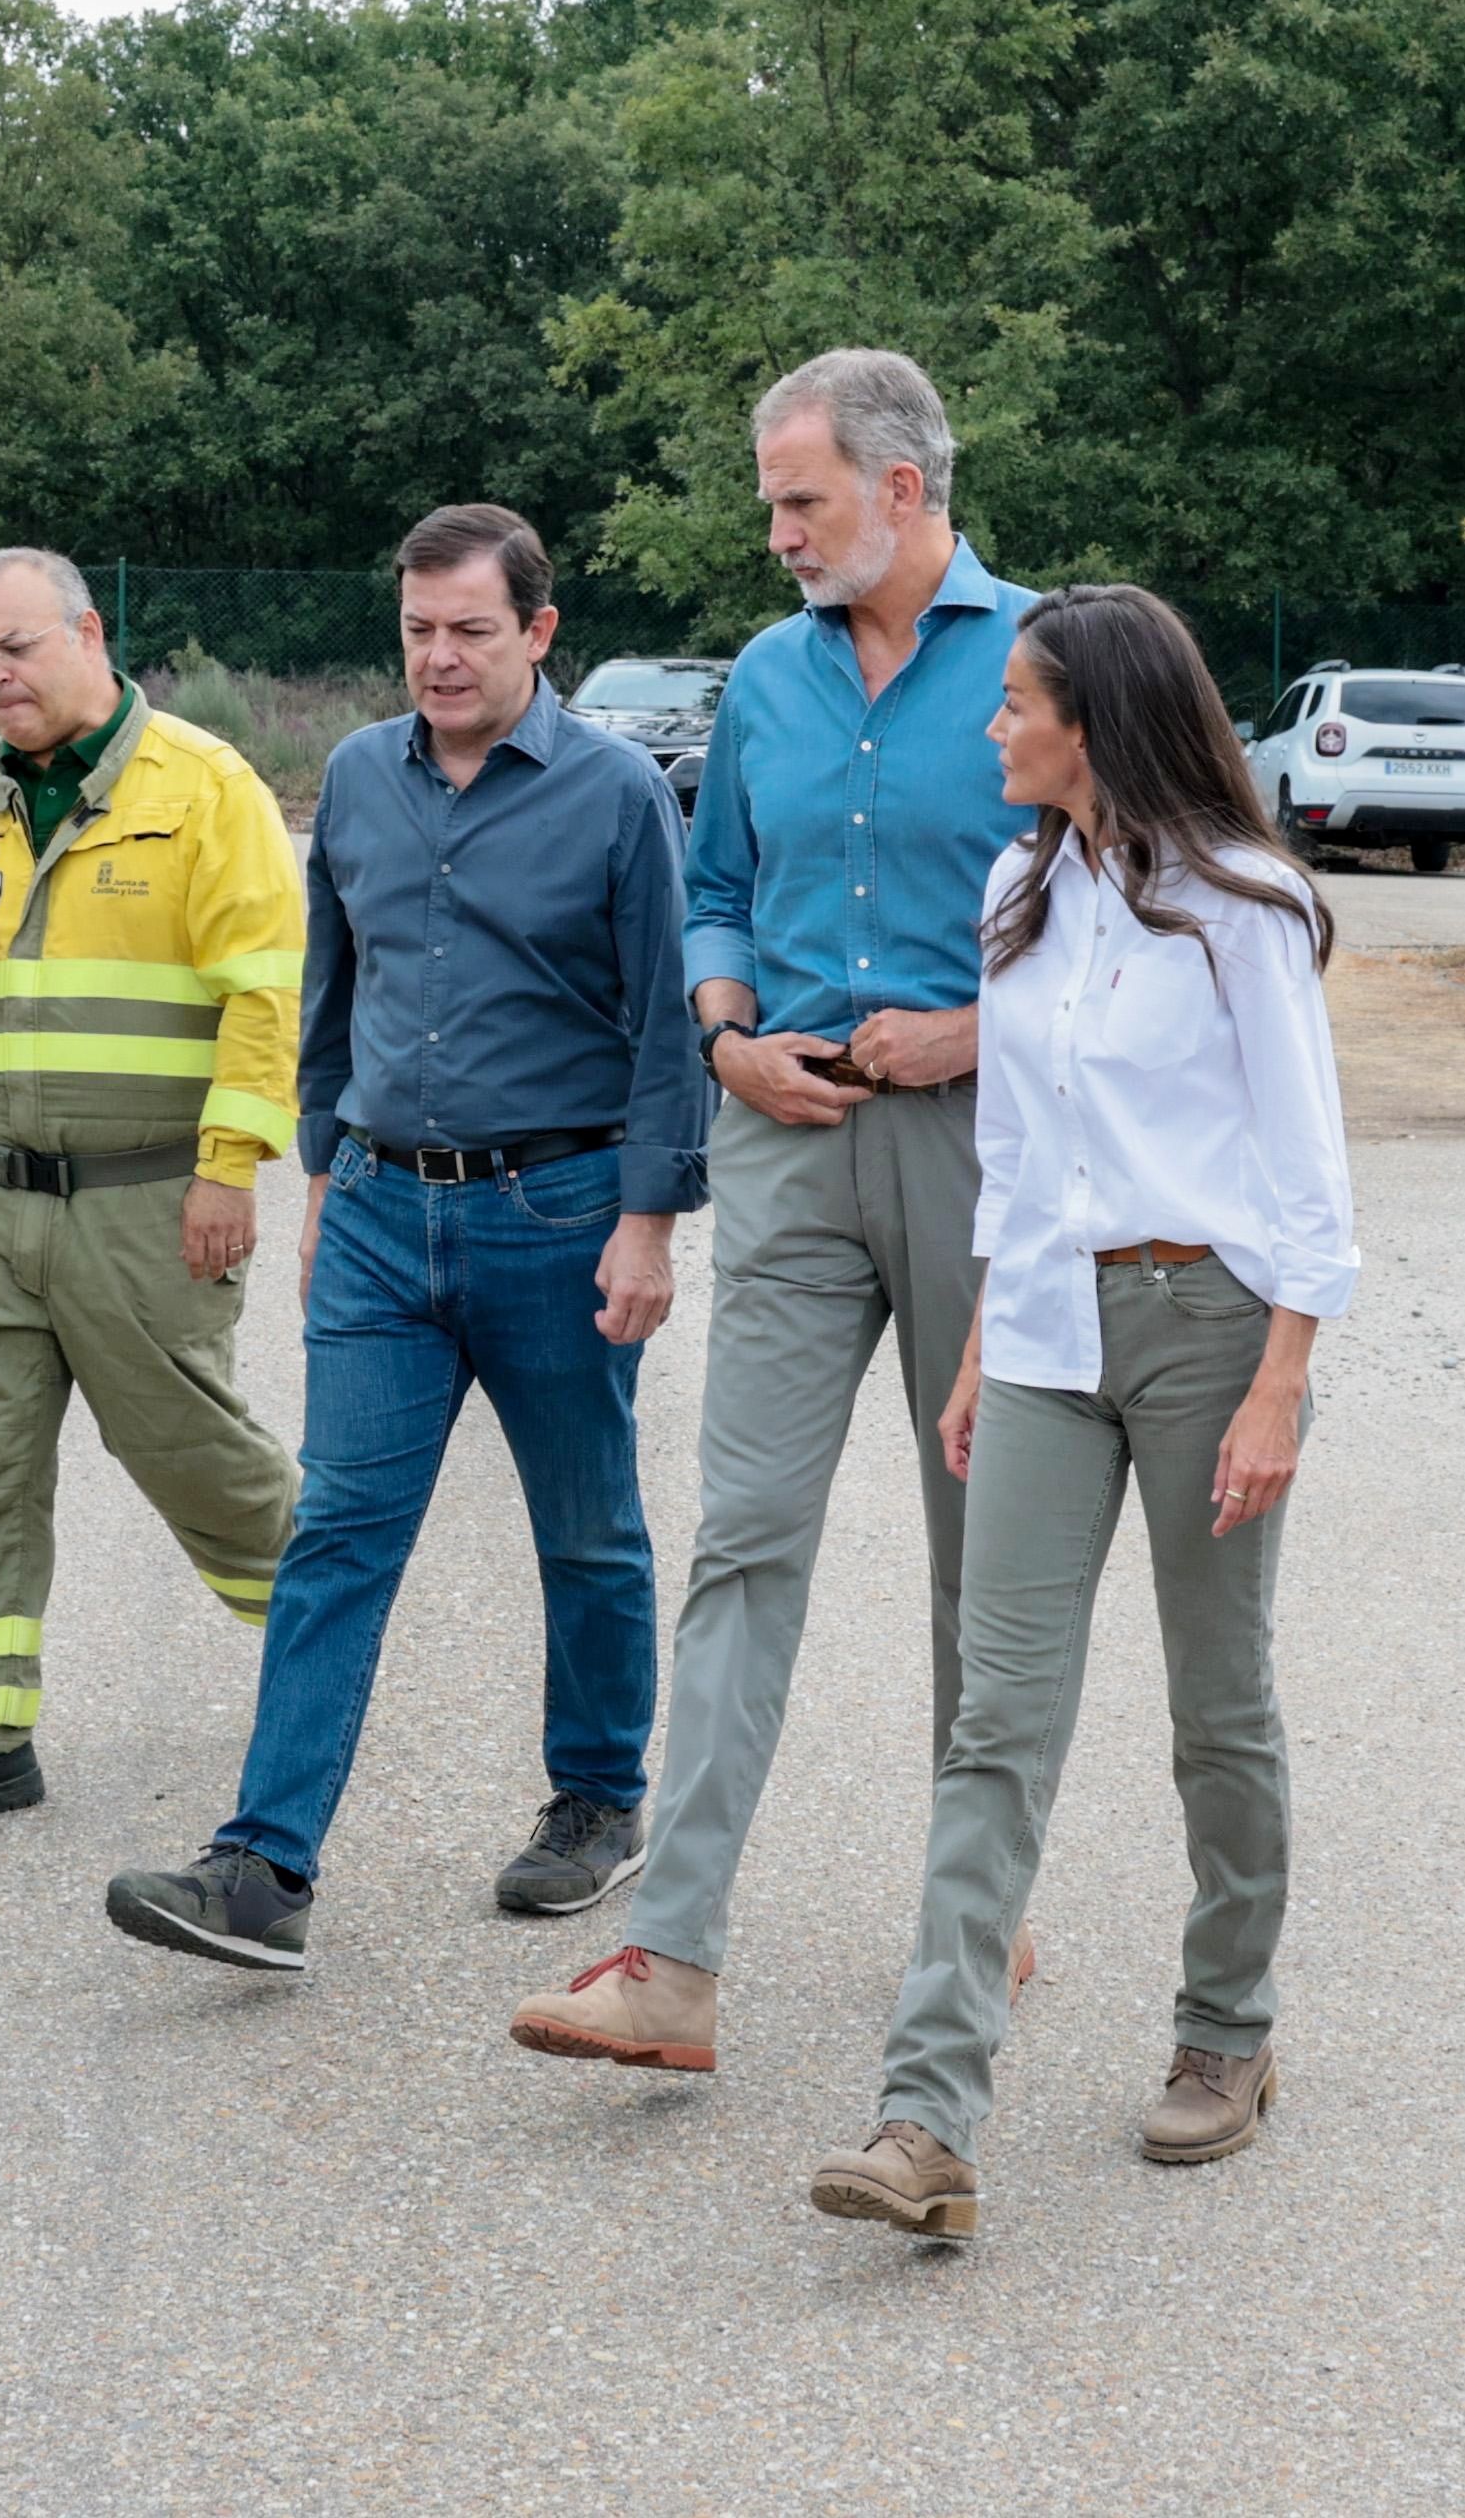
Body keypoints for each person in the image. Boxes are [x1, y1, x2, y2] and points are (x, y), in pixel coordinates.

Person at [511, 348, 1037, 2079]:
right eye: (767, 503)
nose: (774, 535)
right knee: (743, 1540)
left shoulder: (1049, 660)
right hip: (792, 1150)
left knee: (983, 1555)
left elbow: (1127, 904)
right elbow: (715, 884)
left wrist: (982, 1023)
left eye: (795, 501)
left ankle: (979, 1899)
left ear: (899, 489)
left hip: (984, 1151)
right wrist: (725, 1034)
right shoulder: (761, 676)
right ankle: (671, 1958)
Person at [808, 584, 1356, 2240]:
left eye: (1012, 705)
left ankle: (1223, 2033)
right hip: (1043, 1333)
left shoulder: (1244, 904)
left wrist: (1279, 1381)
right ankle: (923, 2121)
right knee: (997, 1716)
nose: (990, 728)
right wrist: (976, 1346)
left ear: (1090, 724)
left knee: (1213, 1702)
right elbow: (1014, 1158)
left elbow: (1306, 1170)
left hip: (1206, 1323)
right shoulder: (1015, 886)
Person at [103, 500, 709, 1972]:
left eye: (470, 633)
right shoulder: (364, 780)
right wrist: (323, 1182)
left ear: (539, 633)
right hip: (379, 1216)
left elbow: (662, 1032)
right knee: (337, 1536)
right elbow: (332, 1001)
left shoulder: (620, 795)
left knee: (587, 1534)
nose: (438, 659)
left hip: (552, 1218)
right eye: (418, 632)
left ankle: (593, 1803)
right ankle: (263, 1867)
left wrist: (647, 1226)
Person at [0, 546, 303, 1839]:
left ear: (90, 634)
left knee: (195, 1456)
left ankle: (324, 1650)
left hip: (147, 1201)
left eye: (18, 649)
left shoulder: (205, 791)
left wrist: (230, 1170)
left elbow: (266, 998)